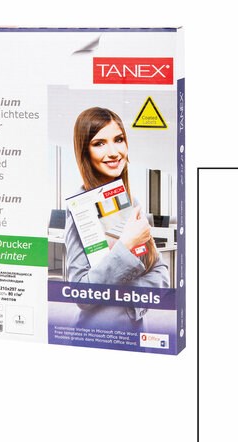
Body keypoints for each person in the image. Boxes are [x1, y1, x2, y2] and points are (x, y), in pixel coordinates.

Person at [64, 107, 169, 328]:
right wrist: (127, 244)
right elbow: (82, 294)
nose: (113, 152)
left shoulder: (132, 202)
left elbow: (161, 273)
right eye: (99, 143)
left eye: (119, 140)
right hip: (96, 333)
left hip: (136, 331)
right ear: (85, 152)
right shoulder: (80, 209)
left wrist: (124, 293)